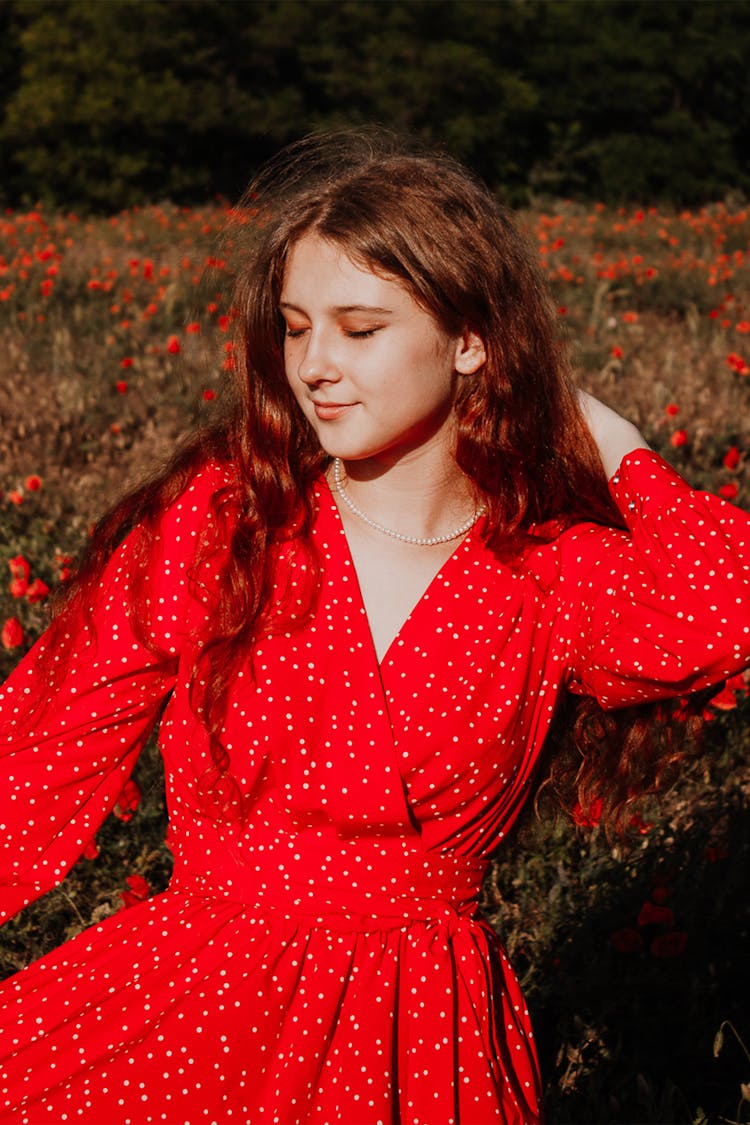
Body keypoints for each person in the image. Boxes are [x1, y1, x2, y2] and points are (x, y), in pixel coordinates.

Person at [0, 129, 748, 1125]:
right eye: (296, 326)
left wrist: (609, 439)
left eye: (359, 328)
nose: (313, 365)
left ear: (472, 340)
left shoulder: (550, 574)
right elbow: (33, 755)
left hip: (413, 1048)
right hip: (187, 1015)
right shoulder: (229, 524)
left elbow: (723, 601)